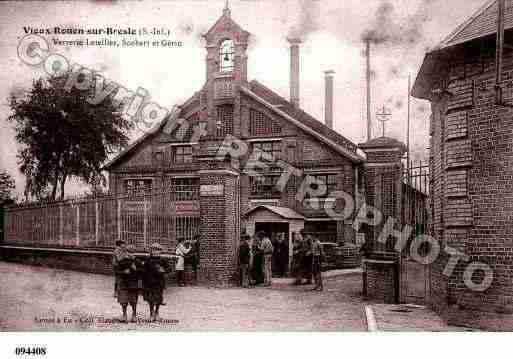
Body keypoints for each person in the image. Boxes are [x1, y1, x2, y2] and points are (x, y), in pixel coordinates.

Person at [142, 243, 172, 322]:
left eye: (158, 250)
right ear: (151, 251)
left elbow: (169, 269)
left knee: (158, 298)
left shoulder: (163, 260)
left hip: (159, 282)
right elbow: (143, 270)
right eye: (154, 250)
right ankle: (151, 313)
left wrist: (164, 270)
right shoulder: (147, 260)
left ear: (160, 251)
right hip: (149, 282)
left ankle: (157, 312)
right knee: (150, 298)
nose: (155, 252)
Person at [114, 244, 142, 323]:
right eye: (129, 252)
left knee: (133, 301)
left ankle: (134, 315)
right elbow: (116, 271)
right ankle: (124, 315)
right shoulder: (122, 261)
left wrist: (136, 269)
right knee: (123, 301)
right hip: (124, 283)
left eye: (132, 253)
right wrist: (123, 272)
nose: (130, 254)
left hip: (133, 284)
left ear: (135, 253)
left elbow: (142, 272)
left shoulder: (137, 261)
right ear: (126, 253)